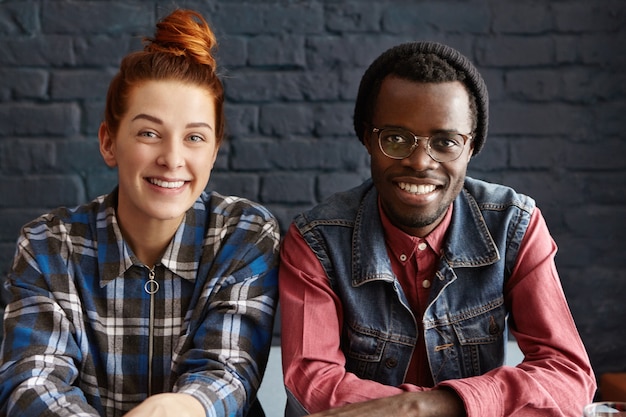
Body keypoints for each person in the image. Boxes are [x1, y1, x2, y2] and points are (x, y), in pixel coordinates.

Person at [279, 41, 596, 417]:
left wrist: (426, 406)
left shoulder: (513, 225)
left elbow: (568, 375)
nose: (419, 162)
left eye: (445, 142)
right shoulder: (317, 240)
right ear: (367, 138)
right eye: (395, 138)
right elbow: (312, 385)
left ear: (472, 146)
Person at [0, 9, 279, 417]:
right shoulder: (48, 245)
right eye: (149, 133)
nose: (172, 158)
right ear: (109, 142)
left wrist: (178, 408)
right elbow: (33, 381)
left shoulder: (245, 234)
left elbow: (228, 373)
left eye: (195, 137)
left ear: (214, 152)